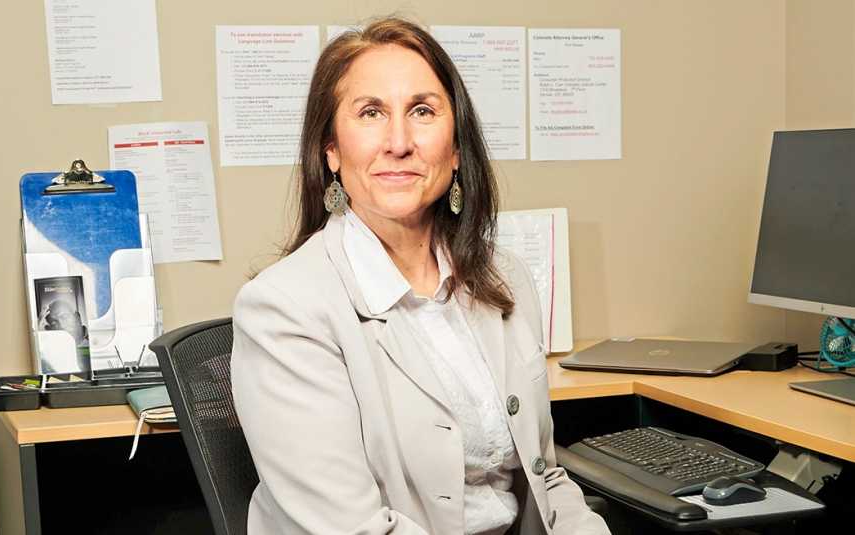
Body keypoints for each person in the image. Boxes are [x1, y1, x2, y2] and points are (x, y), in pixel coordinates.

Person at [230, 17, 610, 535]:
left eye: (423, 111)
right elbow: (353, 528)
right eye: (370, 113)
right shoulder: (283, 308)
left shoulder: (504, 279)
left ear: (455, 150)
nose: (399, 141)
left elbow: (544, 479)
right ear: (332, 150)